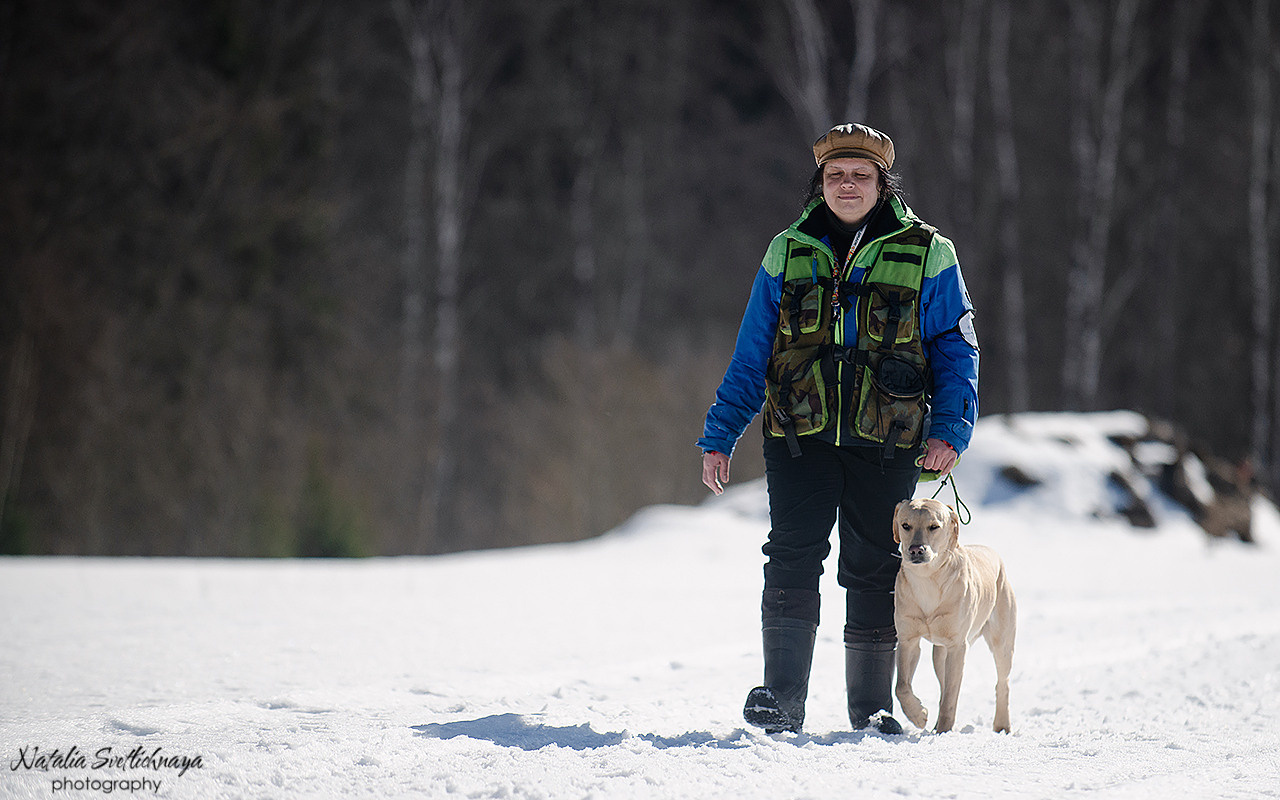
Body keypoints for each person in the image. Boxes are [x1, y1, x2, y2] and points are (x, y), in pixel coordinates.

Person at [697, 123, 979, 735]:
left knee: (877, 565)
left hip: (889, 437)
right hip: (799, 433)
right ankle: (782, 700)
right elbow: (753, 351)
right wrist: (721, 433)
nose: (847, 185)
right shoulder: (787, 249)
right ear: (819, 182)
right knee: (792, 557)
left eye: (860, 175)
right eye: (835, 175)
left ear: (883, 183)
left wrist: (951, 429)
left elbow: (957, 349)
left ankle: (873, 710)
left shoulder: (929, 253)